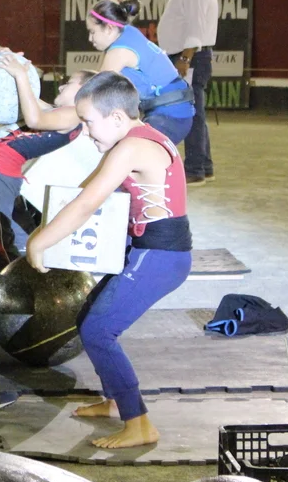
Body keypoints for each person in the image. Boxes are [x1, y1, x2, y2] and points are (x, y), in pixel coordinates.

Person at [25, 71, 192, 449]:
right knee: (89, 318)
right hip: (150, 251)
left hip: (160, 256)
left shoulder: (129, 149)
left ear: (116, 117)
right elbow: (86, 189)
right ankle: (115, 400)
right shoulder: (143, 136)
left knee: (99, 330)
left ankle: (139, 423)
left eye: (88, 122)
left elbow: (86, 204)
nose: (85, 131)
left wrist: (39, 242)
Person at [0, 64, 90, 270]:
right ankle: (29, 271)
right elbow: (29, 100)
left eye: (70, 83)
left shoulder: (73, 115)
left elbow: (34, 118)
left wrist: (21, 75)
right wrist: (16, 70)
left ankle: (18, 280)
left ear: (85, 92)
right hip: (2, 173)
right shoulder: (64, 114)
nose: (62, 86)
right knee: (15, 231)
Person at [86, 0, 194, 145]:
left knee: (128, 151)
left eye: (92, 32)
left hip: (170, 115)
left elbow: (94, 94)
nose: (90, 38)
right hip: (176, 111)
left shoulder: (118, 52)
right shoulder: (127, 31)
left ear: (109, 28)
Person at [157, 0, 218, 186]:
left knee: (191, 114)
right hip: (189, 56)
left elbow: (196, 27)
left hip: (190, 57)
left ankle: (195, 169)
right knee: (195, 113)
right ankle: (203, 166)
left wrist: (185, 58)